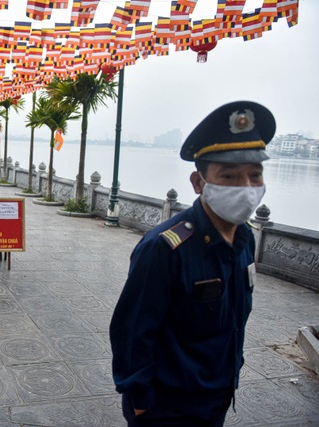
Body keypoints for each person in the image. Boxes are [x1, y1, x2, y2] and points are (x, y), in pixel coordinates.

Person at [109, 101, 275, 427]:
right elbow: (132, 331)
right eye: (229, 176)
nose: (246, 188)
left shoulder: (245, 240)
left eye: (255, 175)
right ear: (198, 183)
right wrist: (141, 401)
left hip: (218, 395)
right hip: (168, 407)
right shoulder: (165, 247)